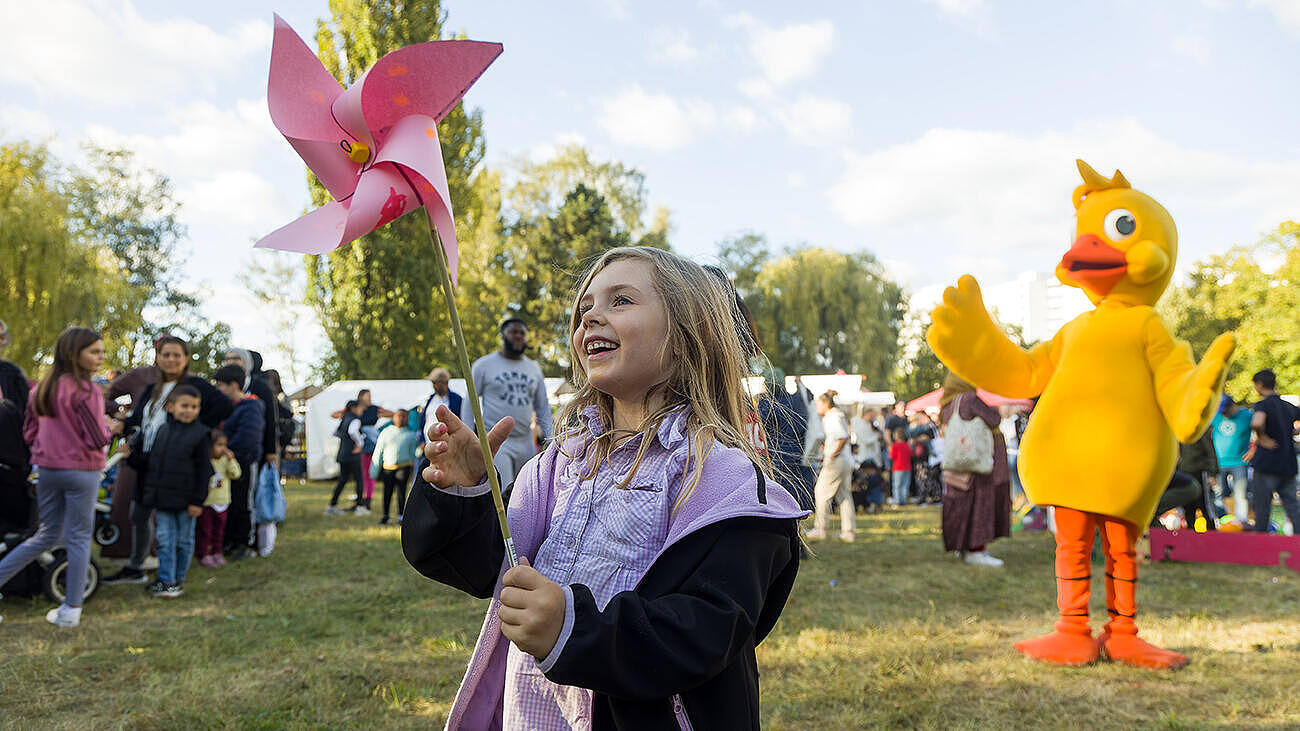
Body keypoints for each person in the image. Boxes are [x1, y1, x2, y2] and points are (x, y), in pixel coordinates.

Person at [402, 247, 805, 729]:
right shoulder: (559, 465)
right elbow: (495, 566)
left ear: (686, 337)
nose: (591, 315)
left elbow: (708, 629)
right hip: (536, 712)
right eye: (585, 307)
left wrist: (571, 629)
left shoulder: (721, 482)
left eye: (621, 301)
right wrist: (464, 495)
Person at [0, 327, 120, 627]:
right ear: (74, 354)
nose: (101, 356)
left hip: (48, 470)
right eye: (94, 351)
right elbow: (95, 438)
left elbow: (28, 432)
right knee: (78, 538)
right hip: (82, 471)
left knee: (45, 535)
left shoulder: (41, 388)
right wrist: (112, 429)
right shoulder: (87, 391)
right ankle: (71, 609)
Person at [103, 336, 232, 585]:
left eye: (177, 355)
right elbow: (140, 419)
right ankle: (136, 566)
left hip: (176, 463)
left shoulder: (194, 385)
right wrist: (122, 425)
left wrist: (194, 431)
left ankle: (171, 575)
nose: (171, 360)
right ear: (158, 357)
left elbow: (224, 406)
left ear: (185, 359)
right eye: (166, 355)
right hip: (148, 459)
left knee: (173, 524)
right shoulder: (153, 388)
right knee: (138, 514)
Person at [122, 385, 211, 598]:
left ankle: (177, 579)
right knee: (164, 540)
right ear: (171, 407)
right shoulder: (163, 431)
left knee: (183, 541)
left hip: (186, 501)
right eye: (184, 406)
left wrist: (197, 501)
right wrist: (130, 457)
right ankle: (166, 579)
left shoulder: (200, 435)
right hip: (163, 501)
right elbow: (152, 463)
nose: (189, 410)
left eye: (194, 407)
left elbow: (203, 472)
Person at [470, 317, 555, 495]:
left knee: (527, 494)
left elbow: (542, 408)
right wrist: (469, 436)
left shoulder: (533, 369)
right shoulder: (483, 366)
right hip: (498, 442)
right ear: (503, 335)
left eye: (522, 333)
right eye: (513, 332)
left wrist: (553, 440)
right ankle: (501, 524)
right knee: (504, 493)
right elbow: (469, 402)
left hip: (525, 442)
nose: (518, 336)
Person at [939, 373, 1011, 567]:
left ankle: (962, 547)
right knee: (981, 504)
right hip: (979, 461)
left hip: (959, 463)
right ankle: (976, 549)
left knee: (963, 505)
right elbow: (994, 419)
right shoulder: (969, 399)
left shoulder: (948, 404)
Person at [213, 364, 265, 559]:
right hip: (226, 464)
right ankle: (230, 541)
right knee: (229, 502)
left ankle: (245, 543)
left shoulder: (251, 406)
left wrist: (226, 451)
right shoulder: (228, 407)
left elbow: (248, 438)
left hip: (243, 463)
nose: (219, 389)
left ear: (233, 385)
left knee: (243, 504)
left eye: (221, 385)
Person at [1248, 369, 1300, 532]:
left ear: (1260, 385)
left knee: (1262, 507)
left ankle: (1261, 544)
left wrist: (1262, 437)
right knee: (1293, 507)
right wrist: (1289, 432)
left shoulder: (1263, 404)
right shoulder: (1289, 406)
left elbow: (1257, 422)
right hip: (1288, 463)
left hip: (1267, 463)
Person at [757, 368, 815, 511]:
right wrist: (800, 385)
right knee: (800, 489)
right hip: (799, 452)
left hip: (777, 454)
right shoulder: (796, 400)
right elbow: (808, 397)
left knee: (782, 491)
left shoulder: (766, 404)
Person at [808, 391, 855, 541]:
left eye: (818, 404)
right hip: (846, 460)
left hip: (837, 461)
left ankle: (820, 528)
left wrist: (833, 454)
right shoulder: (838, 415)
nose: (816, 407)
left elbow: (842, 437)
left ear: (825, 403)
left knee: (821, 492)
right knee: (844, 495)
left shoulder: (831, 417)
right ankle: (848, 532)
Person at [198, 429, 240, 568]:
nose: (223, 449)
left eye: (224, 445)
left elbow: (236, 474)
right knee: (205, 530)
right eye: (219, 445)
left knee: (219, 530)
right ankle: (204, 553)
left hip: (222, 502)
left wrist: (231, 460)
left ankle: (217, 552)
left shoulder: (225, 461)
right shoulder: (206, 461)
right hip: (208, 502)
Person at [1211, 396, 1254, 523]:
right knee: (1218, 493)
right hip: (1219, 462)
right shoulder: (1216, 415)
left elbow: (1260, 430)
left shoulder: (1246, 415)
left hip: (1239, 462)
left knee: (1240, 494)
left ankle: (1241, 521)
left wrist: (1253, 450)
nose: (1223, 413)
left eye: (1225, 409)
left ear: (1232, 406)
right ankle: (1220, 520)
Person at [373, 409, 418, 524]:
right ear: (394, 418)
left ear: (407, 419)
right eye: (398, 416)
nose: (401, 419)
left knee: (401, 491)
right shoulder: (386, 432)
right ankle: (385, 515)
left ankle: (401, 515)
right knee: (387, 491)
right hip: (388, 467)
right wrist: (374, 468)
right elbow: (379, 450)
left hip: (404, 466)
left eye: (403, 416)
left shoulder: (410, 434)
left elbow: (414, 453)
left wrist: (419, 451)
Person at [326, 400, 364, 515]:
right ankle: (359, 506)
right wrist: (359, 443)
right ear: (355, 408)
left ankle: (332, 505)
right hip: (352, 454)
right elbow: (352, 431)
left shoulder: (345, 418)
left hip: (343, 454)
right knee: (359, 480)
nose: (362, 411)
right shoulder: (355, 419)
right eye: (360, 408)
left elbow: (335, 432)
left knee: (342, 480)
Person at [417, 367, 464, 444]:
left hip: (449, 445)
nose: (434, 386)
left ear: (445, 382)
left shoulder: (457, 400)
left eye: (436, 382)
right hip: (429, 445)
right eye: (433, 383)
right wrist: (421, 440)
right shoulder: (429, 400)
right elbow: (422, 421)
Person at [889, 428, 912, 506]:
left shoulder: (895, 446)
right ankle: (903, 500)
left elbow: (892, 456)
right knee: (905, 485)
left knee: (897, 485)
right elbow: (911, 454)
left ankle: (897, 501)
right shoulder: (907, 445)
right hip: (907, 468)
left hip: (898, 468)